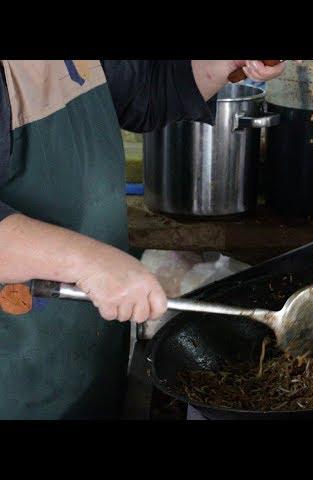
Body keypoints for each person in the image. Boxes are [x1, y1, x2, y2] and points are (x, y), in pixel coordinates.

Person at [0, 60, 287, 419]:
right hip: (16, 368)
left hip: (84, 344)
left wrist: (227, 63)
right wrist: (87, 261)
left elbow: (147, 94)